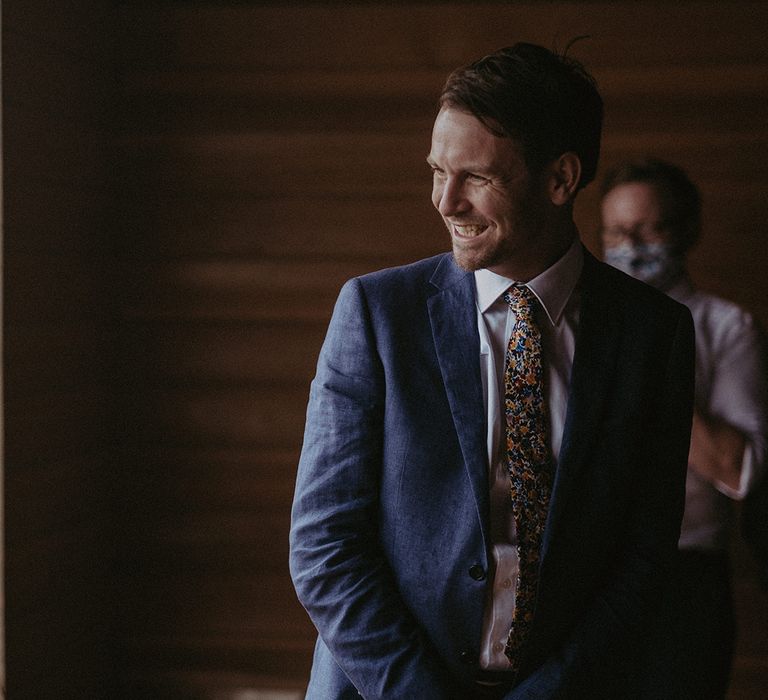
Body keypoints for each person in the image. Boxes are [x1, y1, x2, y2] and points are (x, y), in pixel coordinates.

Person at [289, 43, 695, 700]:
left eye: (475, 177)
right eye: (435, 171)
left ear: (561, 178)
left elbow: (644, 557)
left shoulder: (655, 334)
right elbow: (324, 546)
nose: (446, 202)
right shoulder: (376, 313)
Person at [600, 158, 768, 699]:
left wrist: (647, 370)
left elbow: (739, 470)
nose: (631, 242)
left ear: (687, 231)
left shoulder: (726, 328)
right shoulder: (568, 324)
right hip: (586, 575)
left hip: (685, 578)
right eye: (616, 231)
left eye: (649, 228)